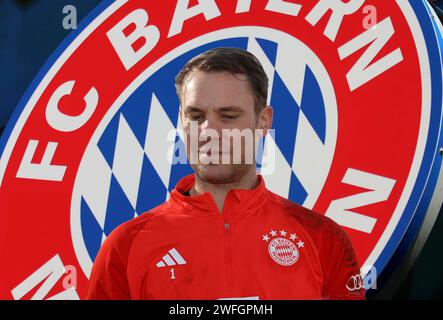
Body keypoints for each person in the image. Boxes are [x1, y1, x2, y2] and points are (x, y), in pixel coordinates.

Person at [86, 47, 365, 300]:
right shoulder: (125, 246)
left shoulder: (321, 239)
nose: (209, 132)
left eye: (228, 116)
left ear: (263, 121)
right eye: (195, 116)